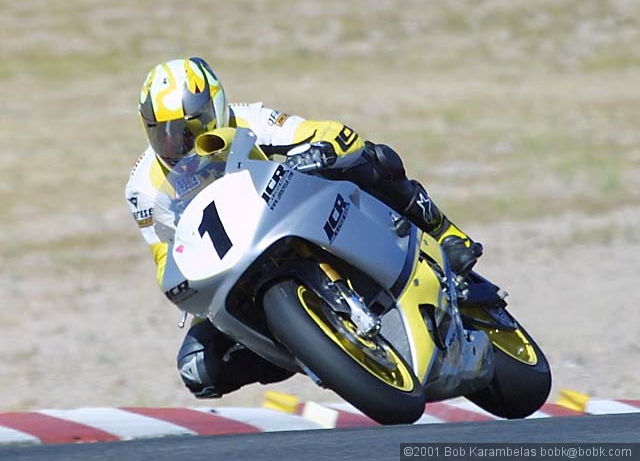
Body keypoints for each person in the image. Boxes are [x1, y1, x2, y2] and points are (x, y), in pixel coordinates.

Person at [125, 57, 483, 399]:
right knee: (198, 367)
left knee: (371, 159)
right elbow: (166, 256)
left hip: (291, 215)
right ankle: (313, 351)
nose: (178, 143)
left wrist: (321, 150)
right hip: (232, 263)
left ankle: (443, 230)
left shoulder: (249, 119)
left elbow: (331, 133)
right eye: (163, 133)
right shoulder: (142, 188)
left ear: (215, 107)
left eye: (190, 127)